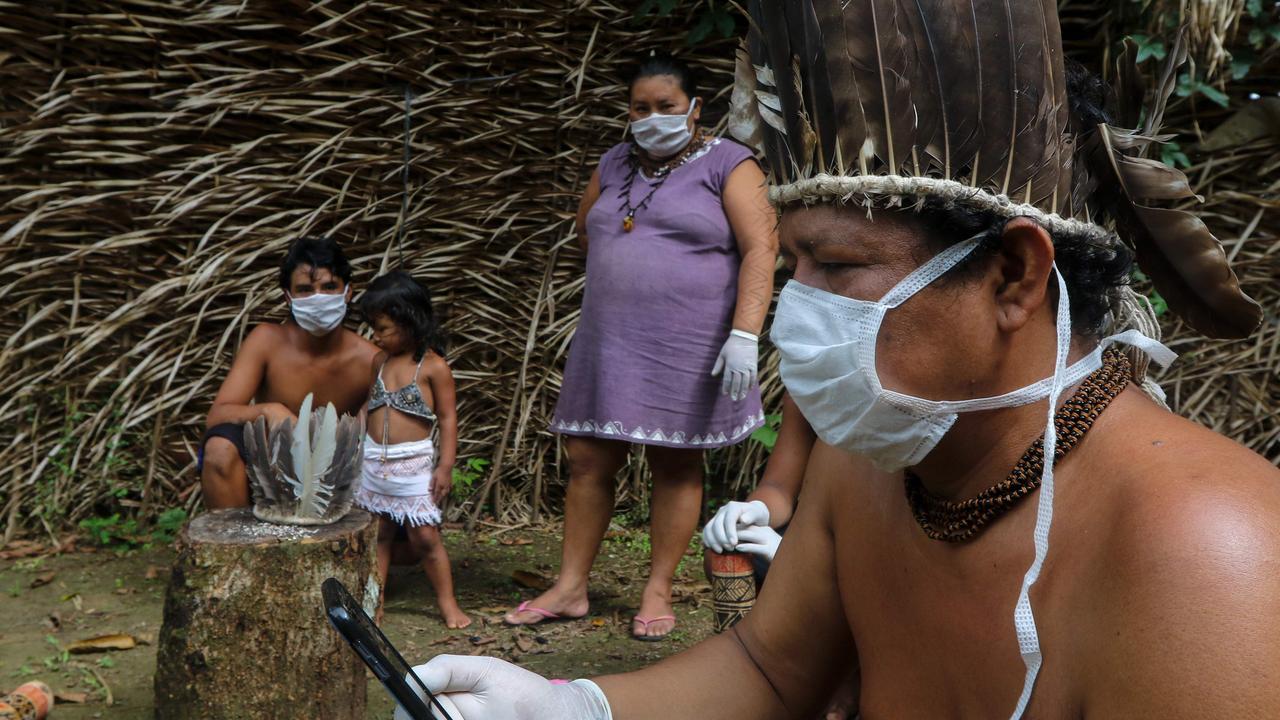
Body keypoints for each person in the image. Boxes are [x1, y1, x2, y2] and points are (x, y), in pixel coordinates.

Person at [399, 3, 1280, 718]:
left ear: (1013, 275)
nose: (800, 307)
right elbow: (769, 669)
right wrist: (568, 706)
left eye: (842, 267)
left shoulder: (1208, 554)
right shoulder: (874, 457)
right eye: (795, 268)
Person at [504, 53, 778, 641]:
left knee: (675, 461)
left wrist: (744, 334)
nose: (652, 117)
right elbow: (587, 232)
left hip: (692, 341)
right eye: (640, 108)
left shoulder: (731, 163)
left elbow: (762, 248)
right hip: (611, 338)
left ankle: (657, 588)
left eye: (666, 107)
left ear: (695, 108)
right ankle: (571, 586)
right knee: (587, 457)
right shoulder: (612, 162)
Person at [201, 236, 379, 509]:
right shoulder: (267, 341)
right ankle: (238, 546)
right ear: (289, 296)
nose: (318, 298)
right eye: (306, 289)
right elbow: (217, 415)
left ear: (348, 292)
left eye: (329, 287)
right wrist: (270, 410)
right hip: (267, 470)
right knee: (219, 449)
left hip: (336, 478)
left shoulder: (370, 360)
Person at [357, 271, 470, 630]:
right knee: (380, 535)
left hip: (413, 466)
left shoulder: (433, 366)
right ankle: (374, 600)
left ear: (410, 321)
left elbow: (448, 418)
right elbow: (368, 408)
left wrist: (445, 466)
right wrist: (354, 442)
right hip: (374, 463)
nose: (375, 336)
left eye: (383, 328)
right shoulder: (379, 361)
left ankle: (448, 603)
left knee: (425, 537)